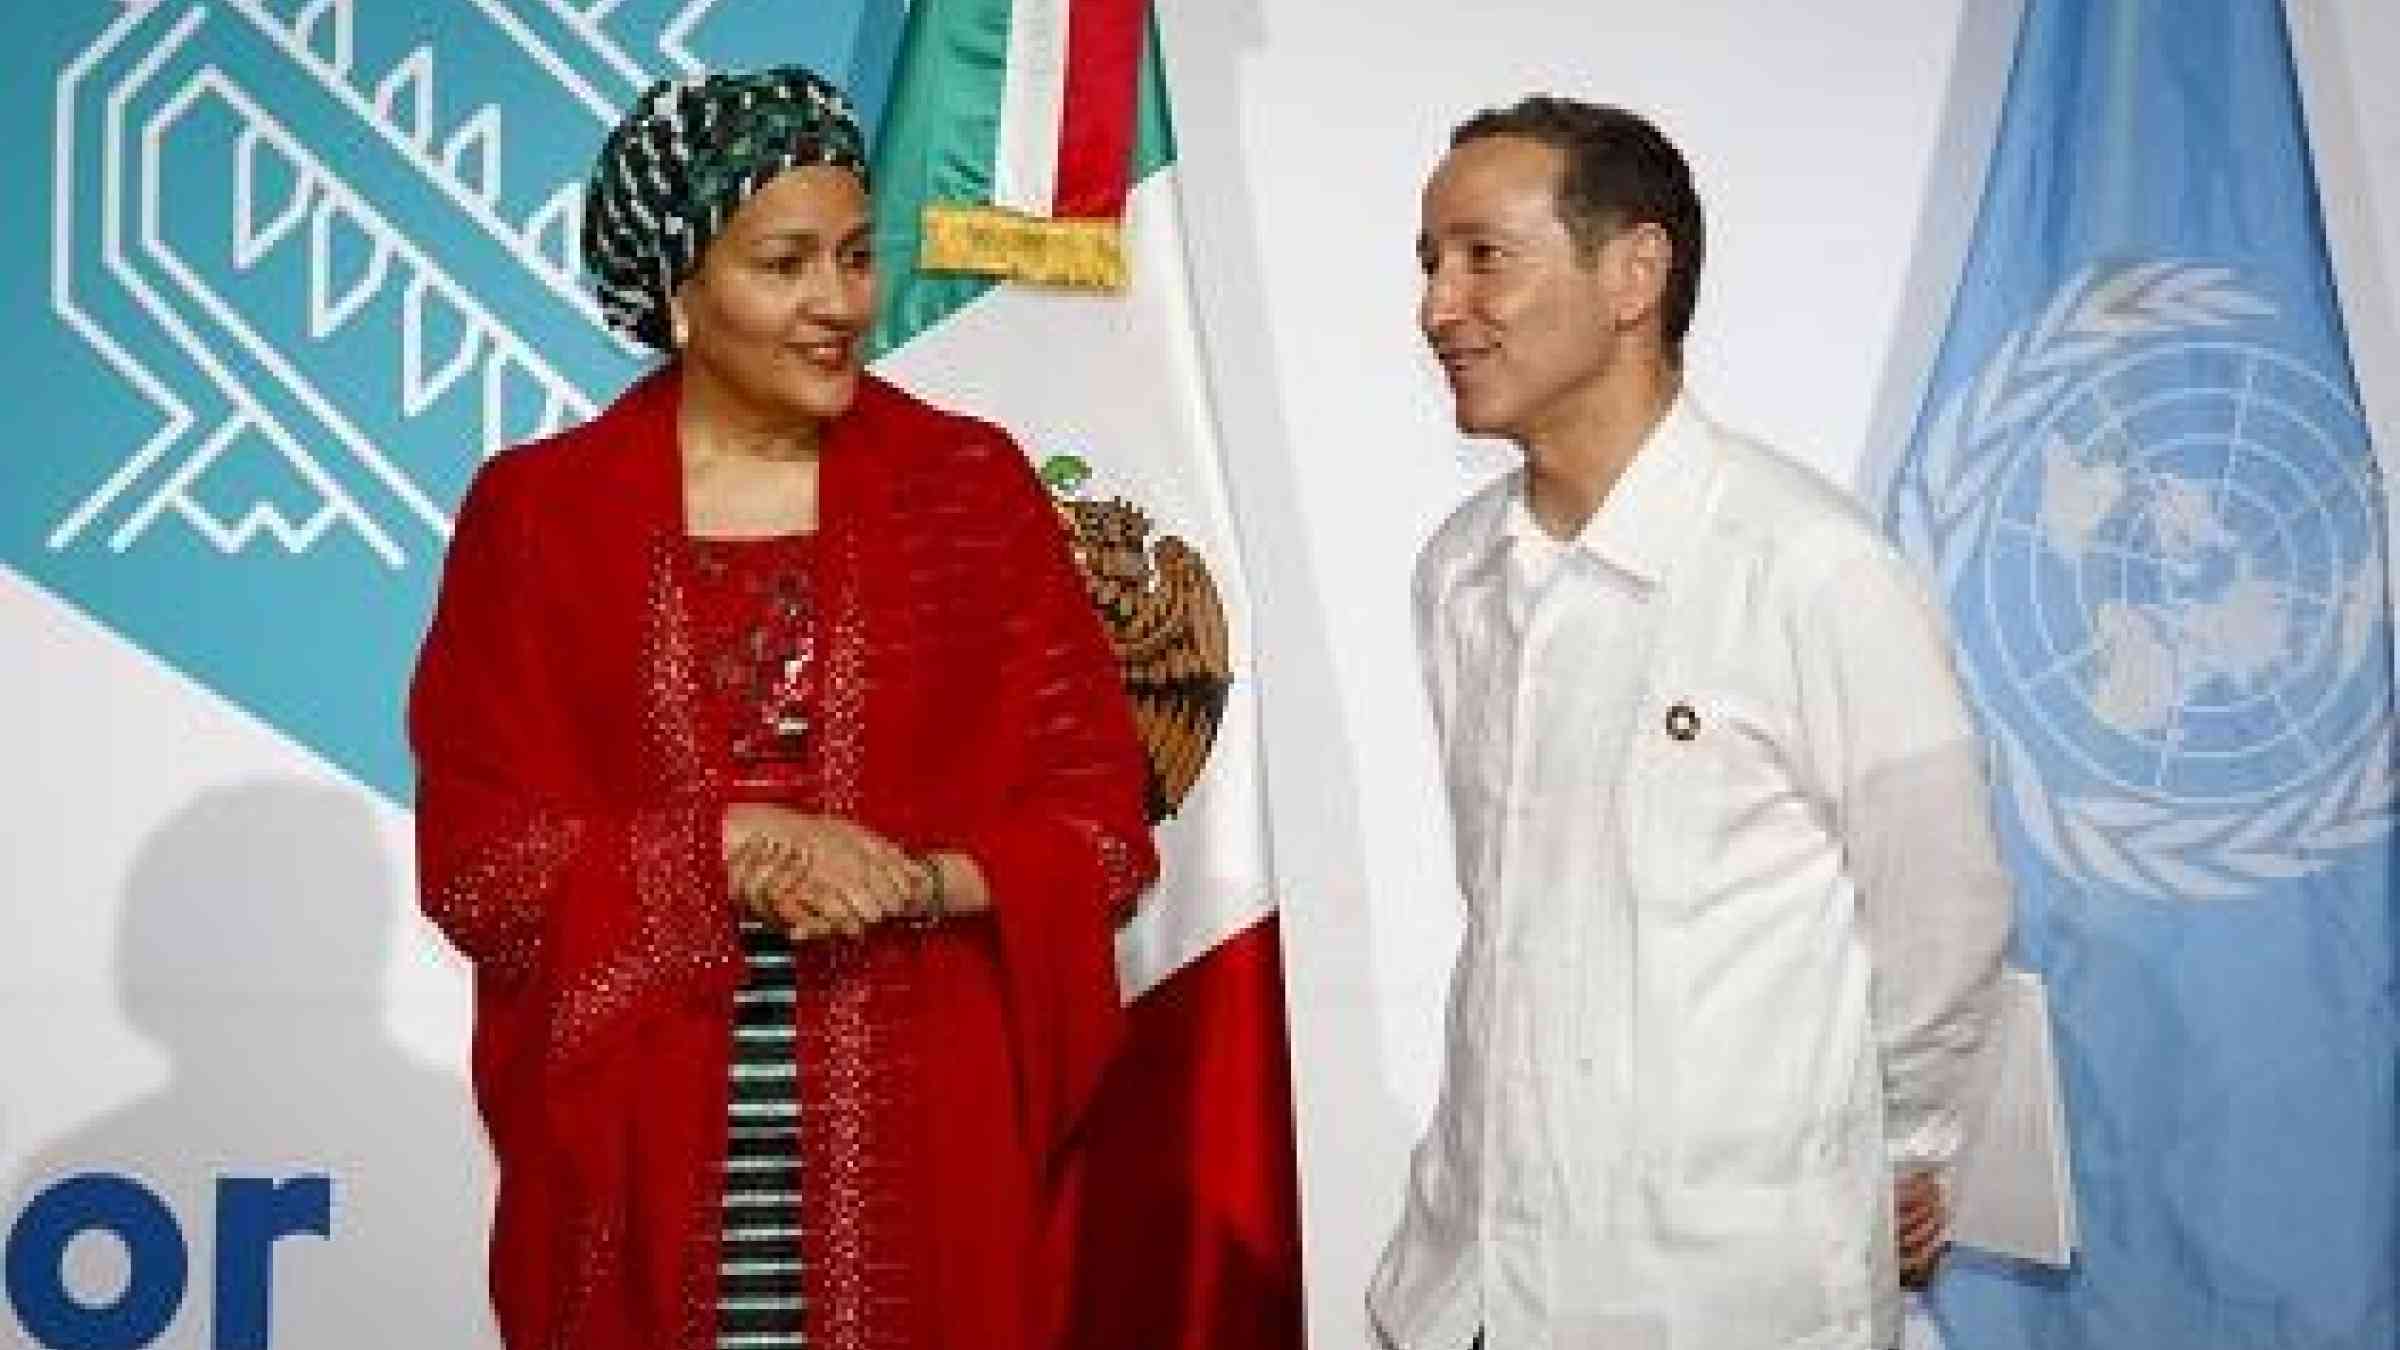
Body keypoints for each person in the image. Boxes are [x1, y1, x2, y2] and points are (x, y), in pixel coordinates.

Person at [408, 66, 1157, 1350]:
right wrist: (732, 845)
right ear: (681, 291)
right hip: (639, 1172)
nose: (840, 304)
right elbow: (480, 868)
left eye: (859, 257)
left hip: (930, 1166)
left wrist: (919, 883)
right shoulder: (541, 519)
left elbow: (1101, 827)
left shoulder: (967, 492)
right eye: (785, 263)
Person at [1369, 96, 2013, 1350]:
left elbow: (1943, 910)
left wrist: (1893, 1157)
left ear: (1634, 273)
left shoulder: (1813, 568)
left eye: (1482, 257)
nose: (1439, 308)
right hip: (1470, 1289)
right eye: (1430, 264)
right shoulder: (1459, 573)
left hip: (1730, 1306)